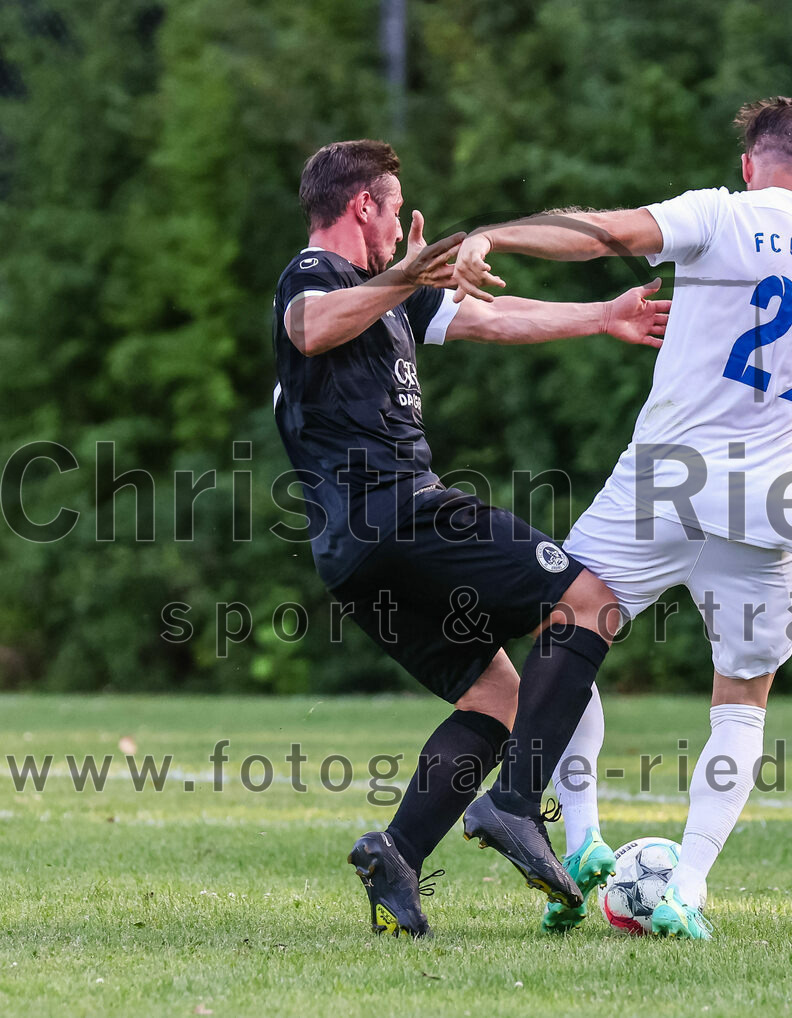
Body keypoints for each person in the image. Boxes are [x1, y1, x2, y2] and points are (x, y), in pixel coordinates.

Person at [453, 97, 792, 939]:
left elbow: (602, 235)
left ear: (750, 164)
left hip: (666, 480)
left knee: (571, 625)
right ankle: (684, 886)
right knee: (742, 700)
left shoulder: (719, 216)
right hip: (772, 506)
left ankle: (581, 839)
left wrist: (499, 233)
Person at [271, 139, 670, 937]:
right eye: (393, 207)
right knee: (589, 602)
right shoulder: (318, 276)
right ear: (364, 207)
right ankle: (516, 805)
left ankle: (398, 856)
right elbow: (308, 328)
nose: (399, 228)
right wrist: (400, 279)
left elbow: (490, 319)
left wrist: (601, 316)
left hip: (353, 555)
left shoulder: (388, 294)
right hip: (400, 512)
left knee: (496, 698)